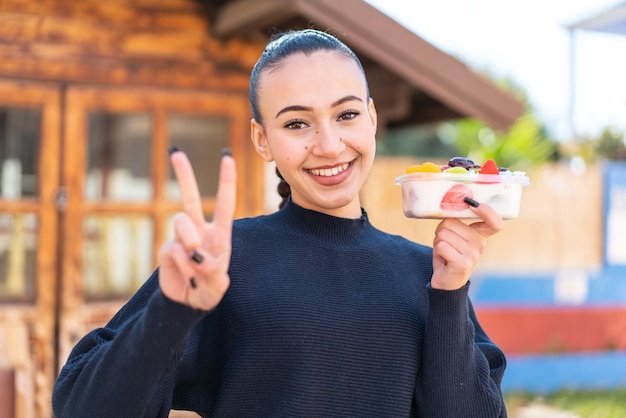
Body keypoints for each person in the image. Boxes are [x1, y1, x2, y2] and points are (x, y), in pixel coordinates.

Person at [52, 29, 508, 417]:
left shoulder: (424, 273)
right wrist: (172, 312)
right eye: (296, 124)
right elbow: (81, 406)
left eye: (346, 115)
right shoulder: (225, 261)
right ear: (262, 139)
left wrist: (449, 293)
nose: (329, 145)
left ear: (371, 119)